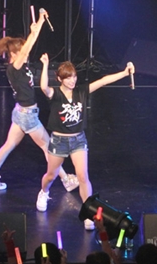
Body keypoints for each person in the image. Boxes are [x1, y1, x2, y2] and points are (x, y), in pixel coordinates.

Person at [0, 9, 77, 193]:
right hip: (27, 115)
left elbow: (28, 46)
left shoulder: (21, 66)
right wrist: (39, 23)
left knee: (9, 145)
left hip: (20, 113)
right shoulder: (15, 67)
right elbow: (29, 45)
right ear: (15, 53)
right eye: (23, 50)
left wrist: (37, 26)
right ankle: (66, 180)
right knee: (48, 147)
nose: (26, 53)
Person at [35, 54, 134, 230]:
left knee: (82, 176)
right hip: (59, 141)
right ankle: (44, 193)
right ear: (60, 79)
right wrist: (45, 65)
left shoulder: (81, 91)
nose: (72, 80)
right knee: (51, 175)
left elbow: (103, 81)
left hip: (78, 140)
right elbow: (43, 87)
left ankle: (89, 212)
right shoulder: (55, 94)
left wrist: (124, 73)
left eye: (74, 76)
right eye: (68, 78)